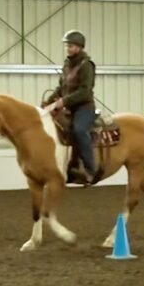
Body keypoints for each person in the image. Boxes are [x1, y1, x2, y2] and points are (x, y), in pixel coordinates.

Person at [44, 29, 99, 185]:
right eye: (67, 45)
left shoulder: (87, 65)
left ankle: (89, 170)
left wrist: (64, 101)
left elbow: (85, 91)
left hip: (85, 107)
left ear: (80, 47)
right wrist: (48, 102)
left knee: (79, 130)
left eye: (71, 46)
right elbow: (61, 88)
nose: (68, 48)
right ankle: (67, 167)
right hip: (69, 108)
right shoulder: (67, 65)